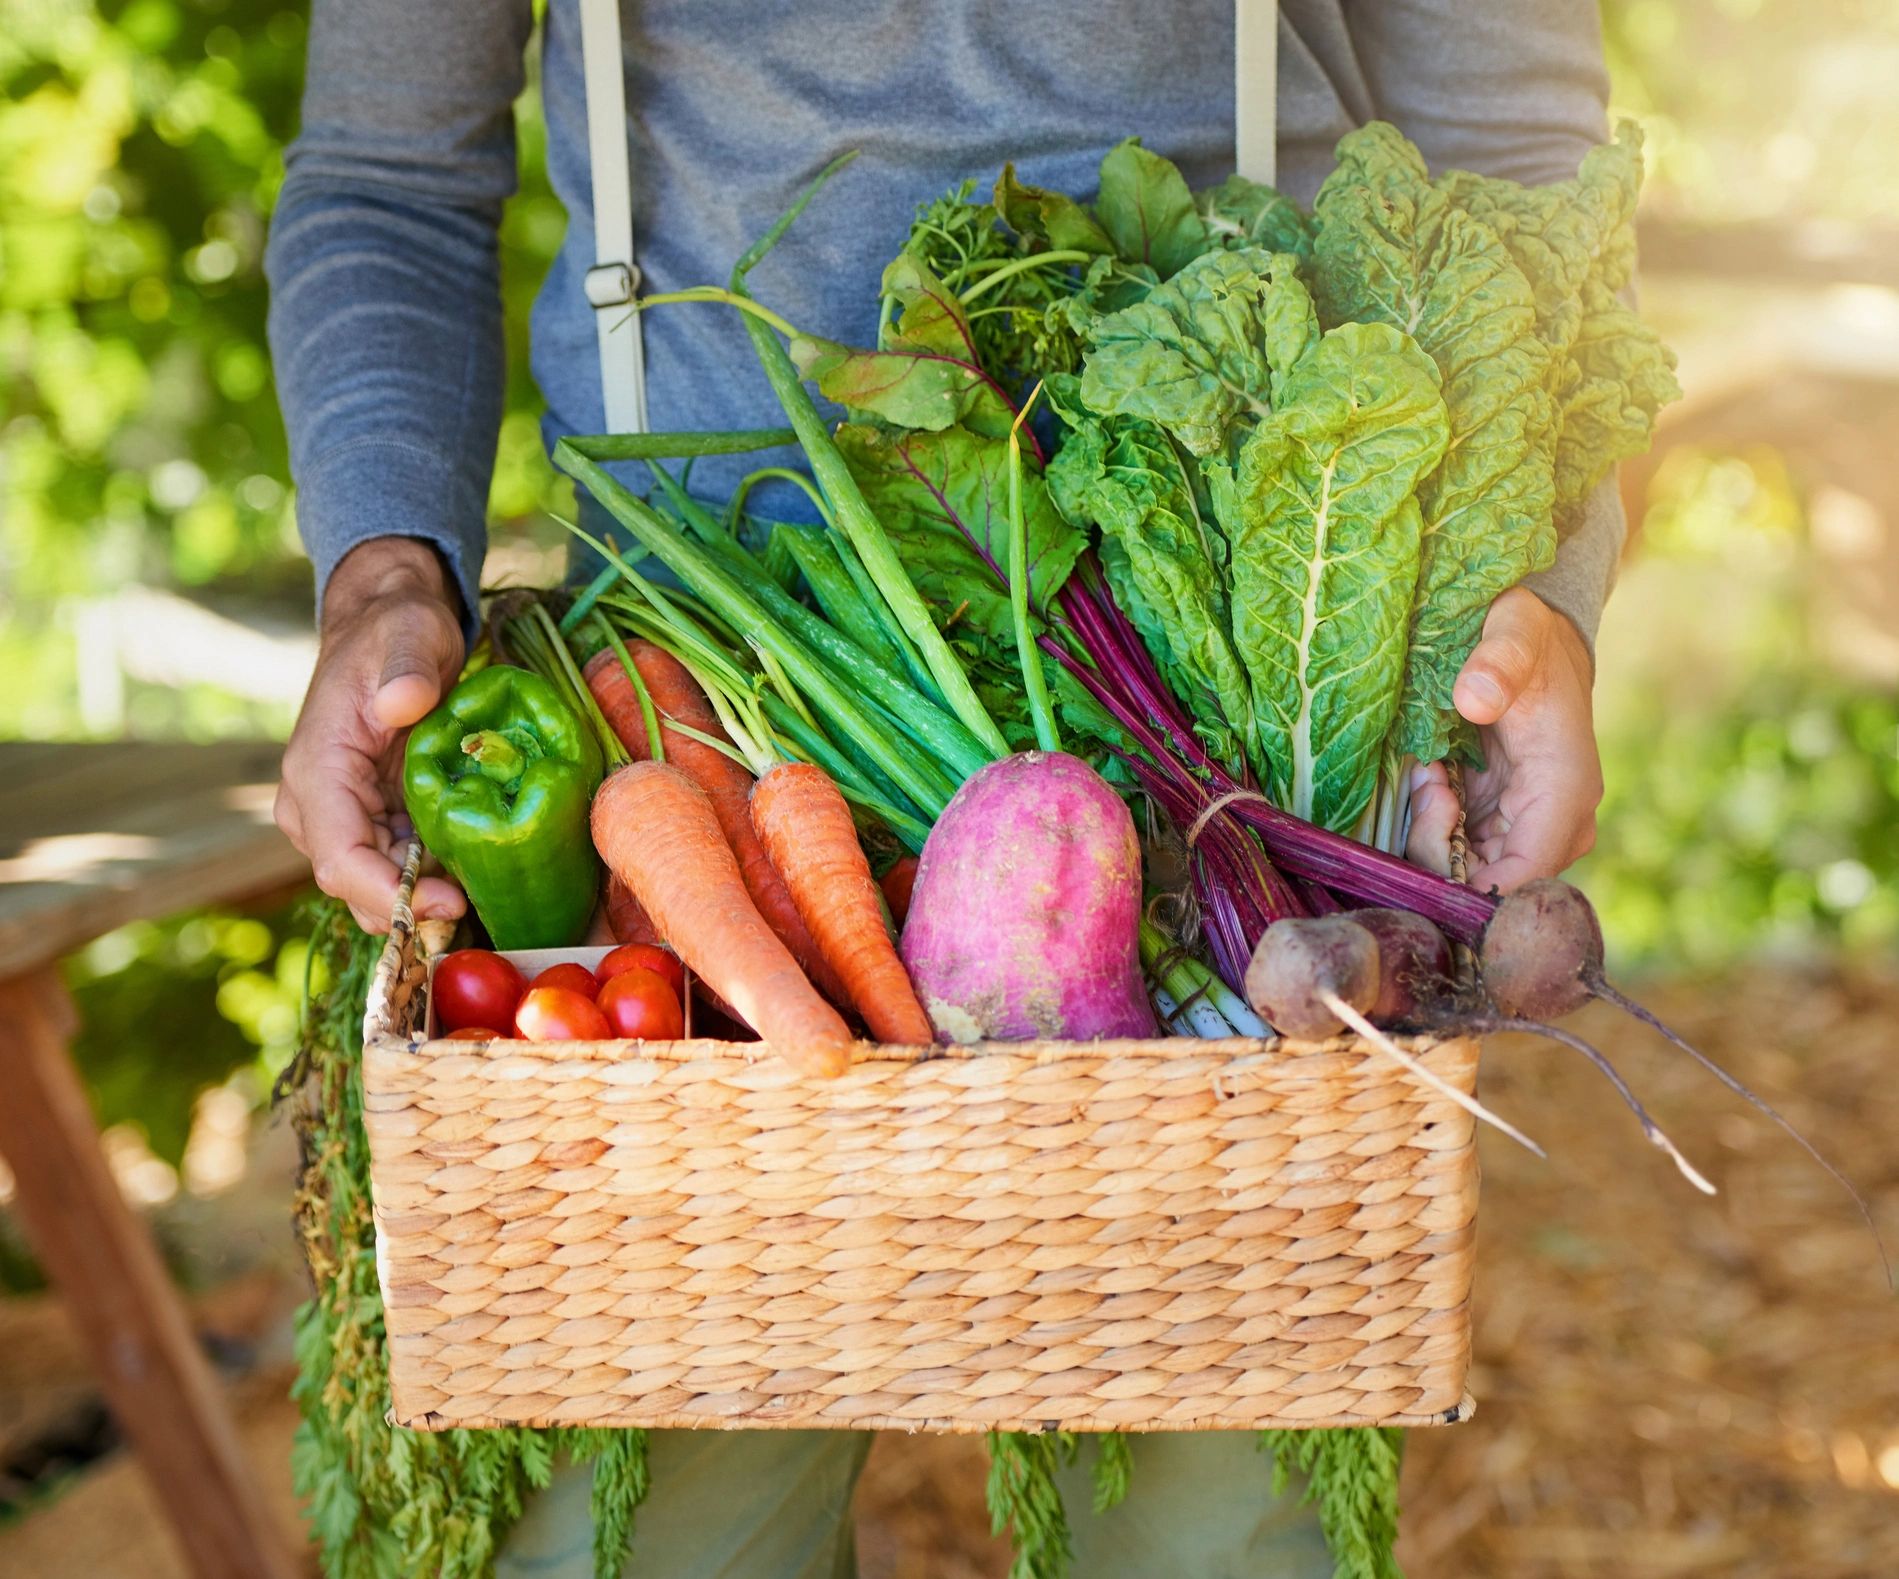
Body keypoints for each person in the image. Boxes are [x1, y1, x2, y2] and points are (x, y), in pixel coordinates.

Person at [267, 2, 1622, 1571]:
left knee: (1219, 1527)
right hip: (698, 716)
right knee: (642, 1534)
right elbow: (384, 165)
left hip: (1250, 724)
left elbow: (1516, 145)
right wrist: (379, 573)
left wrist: (1547, 598)